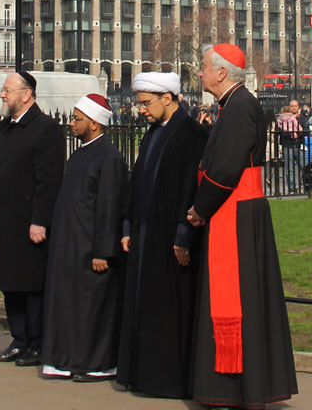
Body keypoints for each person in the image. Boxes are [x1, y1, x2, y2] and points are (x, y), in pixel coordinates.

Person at [186, 43, 297, 409]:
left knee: (239, 298)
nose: (199, 72)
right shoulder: (233, 105)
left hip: (235, 213)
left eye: (203, 67)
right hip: (235, 211)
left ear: (221, 73)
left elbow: (226, 168)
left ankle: (236, 387)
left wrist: (201, 208)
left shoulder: (239, 107)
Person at [117, 71, 207, 398]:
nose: (140, 109)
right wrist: (127, 224)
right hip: (144, 235)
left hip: (170, 238)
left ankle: (166, 379)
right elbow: (137, 182)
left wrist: (184, 234)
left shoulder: (192, 135)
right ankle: (140, 374)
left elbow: (191, 190)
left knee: (169, 309)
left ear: (167, 98)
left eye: (145, 103)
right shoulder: (151, 133)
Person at [0, 71, 65, 368]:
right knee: (9, 283)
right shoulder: (4, 128)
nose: (2, 95)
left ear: (26, 94)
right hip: (3, 221)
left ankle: (36, 342)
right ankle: (19, 339)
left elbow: (49, 180)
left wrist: (40, 220)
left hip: (29, 222)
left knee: (31, 286)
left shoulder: (46, 129)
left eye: (7, 90)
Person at [41, 93, 128, 382]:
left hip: (92, 250)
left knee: (91, 310)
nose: (72, 124)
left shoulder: (110, 158)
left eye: (77, 119)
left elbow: (109, 208)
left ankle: (96, 363)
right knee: (68, 307)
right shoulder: (78, 154)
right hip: (69, 247)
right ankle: (64, 359)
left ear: (94, 123)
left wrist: (103, 251)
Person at [275, 100, 303, 192]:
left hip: (299, 144)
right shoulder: (284, 118)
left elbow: (305, 130)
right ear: (289, 107)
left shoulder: (302, 118)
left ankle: (305, 183)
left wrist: (298, 134)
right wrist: (290, 134)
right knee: (289, 167)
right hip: (287, 144)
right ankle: (292, 187)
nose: (294, 108)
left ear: (298, 107)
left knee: (303, 165)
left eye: (295, 106)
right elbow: (278, 131)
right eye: (292, 106)